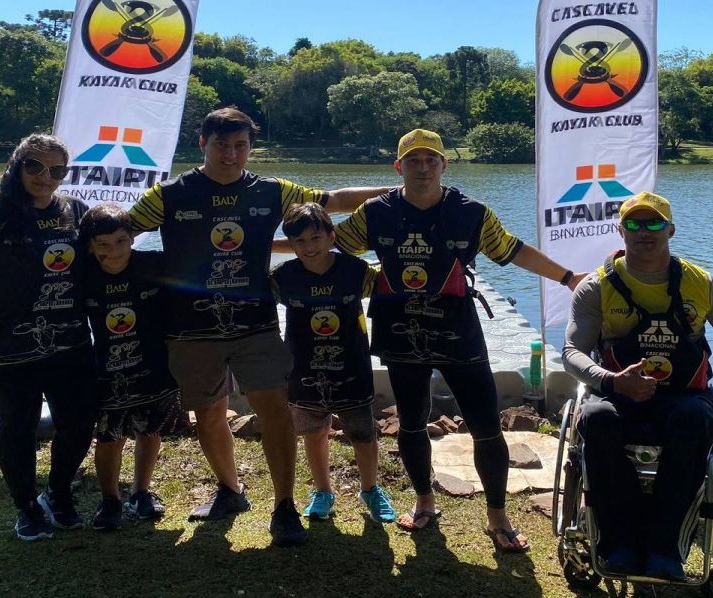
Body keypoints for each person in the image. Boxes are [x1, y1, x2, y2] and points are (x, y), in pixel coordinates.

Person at [126, 107, 391, 547]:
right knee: (209, 413)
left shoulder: (271, 191)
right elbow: (118, 235)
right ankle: (230, 490)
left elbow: (335, 200)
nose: (231, 155)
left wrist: (401, 190)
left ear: (251, 147)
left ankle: (284, 506)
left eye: (240, 146)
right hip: (192, 327)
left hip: (255, 324)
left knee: (275, 411)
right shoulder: (168, 195)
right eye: (221, 145)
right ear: (202, 143)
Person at [331, 128, 582, 553]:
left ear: (444, 165)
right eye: (413, 161)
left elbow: (512, 250)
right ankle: (424, 501)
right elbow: (326, 246)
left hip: (456, 327)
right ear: (398, 167)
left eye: (431, 160)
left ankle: (497, 516)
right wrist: (265, 252)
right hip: (399, 328)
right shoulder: (375, 212)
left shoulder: (472, 213)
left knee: (485, 423)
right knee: (412, 420)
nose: (423, 168)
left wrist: (568, 277)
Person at [561, 191, 713, 580]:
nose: (644, 231)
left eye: (654, 223)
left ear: (671, 229)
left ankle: (665, 546)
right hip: (618, 393)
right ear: (621, 231)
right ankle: (620, 542)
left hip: (685, 395)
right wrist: (611, 381)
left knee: (694, 421)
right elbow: (572, 351)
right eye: (634, 223)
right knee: (596, 419)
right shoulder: (596, 287)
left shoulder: (703, 284)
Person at [0, 134, 97, 541]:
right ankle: (27, 508)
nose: (44, 177)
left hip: (70, 345)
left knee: (79, 423)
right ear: (16, 166)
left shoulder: (78, 212)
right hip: (6, 350)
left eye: (56, 170)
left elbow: (108, 257)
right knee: (18, 429)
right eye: (34, 166)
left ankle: (58, 493)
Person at [269, 203, 395, 525]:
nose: (309, 247)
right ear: (290, 244)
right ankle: (323, 492)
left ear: (331, 237)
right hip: (304, 371)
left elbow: (395, 283)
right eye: (299, 241)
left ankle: (370, 489)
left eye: (316, 238)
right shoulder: (282, 277)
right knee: (314, 432)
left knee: (363, 434)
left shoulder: (357, 271)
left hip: (352, 368)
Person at [79, 203, 189, 531]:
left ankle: (141, 492)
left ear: (132, 238)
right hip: (108, 370)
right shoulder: (82, 275)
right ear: (90, 246)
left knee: (149, 429)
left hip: (154, 366)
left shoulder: (153, 264)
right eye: (103, 244)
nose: (114, 251)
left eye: (121, 241)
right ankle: (110, 499)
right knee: (109, 436)